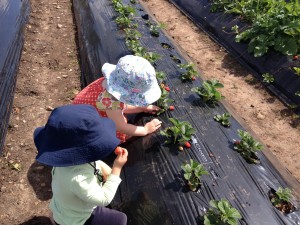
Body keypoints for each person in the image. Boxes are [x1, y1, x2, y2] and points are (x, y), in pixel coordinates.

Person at [33, 104, 128, 225]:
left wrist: (106, 169)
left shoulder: (63, 161)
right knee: (121, 220)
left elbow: (92, 162)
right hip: (77, 219)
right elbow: (104, 198)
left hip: (64, 209)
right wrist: (117, 168)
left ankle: (56, 219)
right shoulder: (78, 179)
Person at [73, 55, 162, 143]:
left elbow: (122, 106)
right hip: (84, 125)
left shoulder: (109, 84)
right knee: (115, 135)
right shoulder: (111, 102)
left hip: (81, 110)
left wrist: (142, 108)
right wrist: (145, 130)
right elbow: (121, 127)